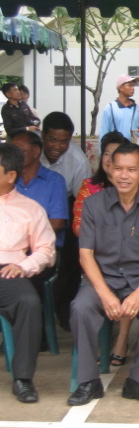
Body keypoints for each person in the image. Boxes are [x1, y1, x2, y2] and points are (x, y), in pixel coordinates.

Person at [68, 143, 139, 406]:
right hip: (101, 279)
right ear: (110, 170)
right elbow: (85, 255)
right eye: (119, 169)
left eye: (131, 170)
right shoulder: (93, 205)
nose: (124, 175)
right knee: (80, 308)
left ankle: (138, 381)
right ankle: (88, 382)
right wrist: (105, 294)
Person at [72, 131, 139, 367]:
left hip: (134, 265)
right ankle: (90, 365)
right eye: (108, 155)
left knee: (135, 285)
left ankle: (122, 339)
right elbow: (79, 227)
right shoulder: (89, 188)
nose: (111, 160)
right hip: (98, 262)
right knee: (81, 306)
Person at [0, 143, 56, 403]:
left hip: (9, 272)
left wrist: (23, 266)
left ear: (11, 175)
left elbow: (46, 250)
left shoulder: (31, 209)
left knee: (29, 302)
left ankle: (22, 379)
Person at [12, 131, 68, 349]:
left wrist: (24, 239)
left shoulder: (54, 181)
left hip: (44, 252)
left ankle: (33, 336)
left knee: (26, 278)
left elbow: (58, 222)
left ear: (36, 151)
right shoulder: (8, 181)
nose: (13, 155)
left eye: (18, 150)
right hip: (11, 252)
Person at [40, 112, 91, 331]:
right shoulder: (32, 153)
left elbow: (83, 200)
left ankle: (64, 309)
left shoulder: (78, 160)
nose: (57, 146)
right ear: (43, 136)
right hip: (34, 205)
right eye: (52, 140)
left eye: (64, 141)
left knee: (73, 254)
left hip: (67, 203)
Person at [99, 75, 139, 144]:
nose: (133, 88)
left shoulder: (137, 108)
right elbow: (104, 132)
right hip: (117, 148)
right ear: (121, 88)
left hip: (134, 149)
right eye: (129, 85)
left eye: (133, 85)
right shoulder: (110, 108)